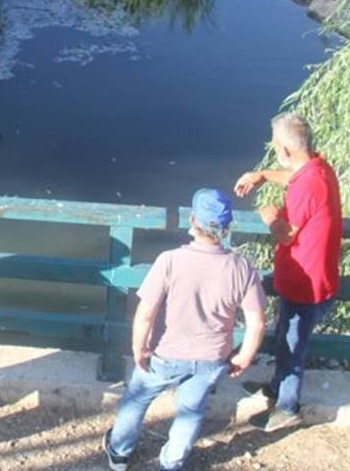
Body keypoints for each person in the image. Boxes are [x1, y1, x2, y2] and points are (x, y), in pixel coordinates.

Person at [104, 189, 266, 471]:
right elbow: (257, 322)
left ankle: (119, 453)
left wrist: (139, 348)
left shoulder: (170, 260)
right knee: (191, 411)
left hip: (165, 353)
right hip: (211, 358)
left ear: (192, 220)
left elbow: (145, 314)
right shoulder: (242, 268)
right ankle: (172, 461)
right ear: (227, 228)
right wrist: (244, 356)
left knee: (137, 399)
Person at [233, 112, 342, 432]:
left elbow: (286, 234)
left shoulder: (307, 186)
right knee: (285, 338)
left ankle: (286, 407)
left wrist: (269, 217)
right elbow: (294, 175)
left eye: (275, 145)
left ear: (286, 149)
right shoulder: (319, 168)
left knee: (293, 347)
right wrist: (264, 175)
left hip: (306, 283)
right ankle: (276, 386)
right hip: (307, 276)